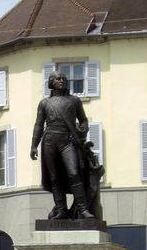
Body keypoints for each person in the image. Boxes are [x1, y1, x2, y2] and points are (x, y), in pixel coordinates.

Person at [30, 70, 99, 220]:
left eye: (63, 78)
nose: (62, 81)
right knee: (55, 177)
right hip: (50, 140)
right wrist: (34, 145)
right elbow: (38, 125)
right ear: (51, 83)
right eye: (58, 79)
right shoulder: (44, 103)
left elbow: (83, 120)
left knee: (74, 173)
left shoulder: (74, 101)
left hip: (67, 140)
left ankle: (82, 209)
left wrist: (82, 131)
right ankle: (61, 209)